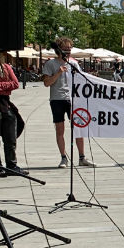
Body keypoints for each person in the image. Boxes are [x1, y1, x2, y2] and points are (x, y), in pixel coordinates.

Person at [42, 37, 90, 168]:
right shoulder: (50, 64)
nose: (68, 52)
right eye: (65, 49)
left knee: (78, 128)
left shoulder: (73, 63)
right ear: (59, 50)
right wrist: (58, 73)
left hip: (72, 100)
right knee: (60, 130)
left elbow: (81, 80)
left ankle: (82, 157)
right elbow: (47, 83)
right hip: (57, 99)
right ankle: (63, 158)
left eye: (70, 49)